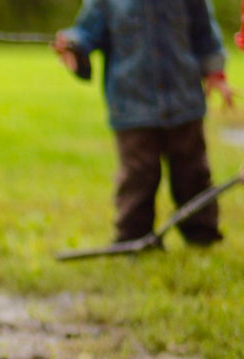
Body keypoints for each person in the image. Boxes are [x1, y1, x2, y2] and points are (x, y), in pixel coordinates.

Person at [54, 0, 234, 245]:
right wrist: (72, 45)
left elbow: (205, 34)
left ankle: (202, 234)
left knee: (193, 173)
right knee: (138, 177)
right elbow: (86, 32)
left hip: (184, 101)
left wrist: (215, 73)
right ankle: (134, 237)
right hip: (132, 104)